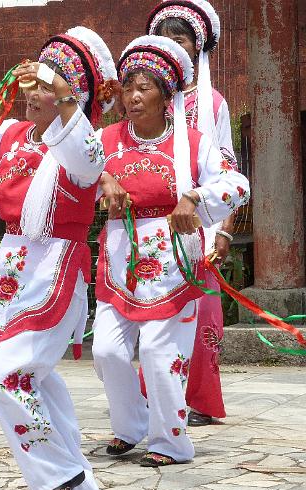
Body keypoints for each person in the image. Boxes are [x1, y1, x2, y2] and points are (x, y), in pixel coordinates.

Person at [0, 27, 116, 490]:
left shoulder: (81, 148)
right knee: (35, 378)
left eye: (49, 85)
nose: (34, 92)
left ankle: (56, 474)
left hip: (57, 267)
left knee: (6, 376)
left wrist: (62, 97)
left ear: (71, 95)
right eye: (33, 81)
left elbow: (88, 159)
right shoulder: (11, 136)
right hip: (15, 266)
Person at [93, 35, 250, 467]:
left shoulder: (195, 143)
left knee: (161, 358)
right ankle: (129, 426)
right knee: (107, 350)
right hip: (122, 260)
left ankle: (169, 443)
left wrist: (196, 199)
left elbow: (237, 186)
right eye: (128, 87)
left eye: (144, 87)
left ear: (166, 96)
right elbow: (74, 176)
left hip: (174, 260)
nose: (133, 96)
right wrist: (104, 184)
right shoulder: (105, 139)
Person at [148, 0, 236, 427]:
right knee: (152, 314)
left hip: (197, 224)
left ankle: (199, 399)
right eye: (164, 39)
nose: (172, 46)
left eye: (180, 39)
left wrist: (222, 231)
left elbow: (227, 170)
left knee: (201, 313)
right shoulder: (141, 98)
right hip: (147, 227)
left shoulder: (212, 103)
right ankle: (157, 398)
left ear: (197, 49)